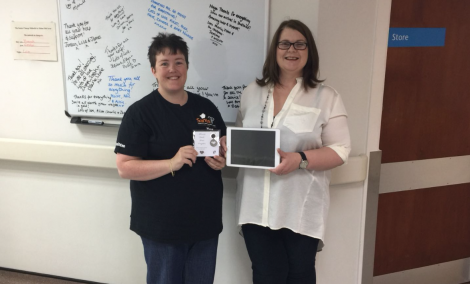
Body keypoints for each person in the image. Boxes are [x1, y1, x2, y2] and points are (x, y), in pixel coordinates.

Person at [235, 19, 351, 284]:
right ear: (275, 49)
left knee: (299, 276)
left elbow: (341, 149)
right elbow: (241, 138)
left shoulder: (327, 97)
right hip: (256, 207)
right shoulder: (251, 92)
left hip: (300, 208)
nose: (292, 50)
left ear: (309, 51)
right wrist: (227, 146)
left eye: (300, 44)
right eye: (285, 43)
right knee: (266, 275)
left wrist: (300, 159)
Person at [114, 33, 226, 284]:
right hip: (162, 227)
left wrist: (222, 160)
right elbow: (125, 167)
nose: (172, 69)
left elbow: (220, 149)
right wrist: (171, 163)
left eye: (179, 62)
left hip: (205, 223)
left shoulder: (206, 108)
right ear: (154, 70)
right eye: (165, 63)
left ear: (187, 66)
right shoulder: (139, 113)